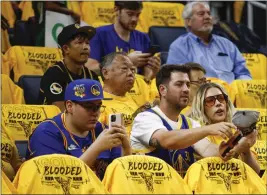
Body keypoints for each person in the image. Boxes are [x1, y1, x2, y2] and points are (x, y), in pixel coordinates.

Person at [131, 65, 259, 177]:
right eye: (179, 84)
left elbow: (209, 151)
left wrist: (237, 145)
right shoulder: (145, 118)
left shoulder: (191, 123)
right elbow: (165, 140)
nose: (186, 89)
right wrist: (208, 129)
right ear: (163, 90)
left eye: (187, 84)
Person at [28, 79, 131, 179]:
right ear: (69, 106)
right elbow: (61, 180)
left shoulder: (103, 130)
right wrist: (96, 148)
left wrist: (126, 149)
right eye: (89, 107)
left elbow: (120, 177)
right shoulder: (46, 133)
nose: (95, 112)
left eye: (98, 106)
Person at [166, 1, 251, 84]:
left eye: (209, 13)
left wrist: (241, 88)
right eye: (201, 14)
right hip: (201, 94)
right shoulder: (179, 46)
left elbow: (243, 73)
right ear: (189, 21)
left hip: (232, 93)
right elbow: (178, 79)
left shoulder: (227, 44)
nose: (207, 17)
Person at [189, 82, 260, 174]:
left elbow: (255, 173)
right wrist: (238, 149)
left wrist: (246, 150)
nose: (218, 103)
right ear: (201, 107)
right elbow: (215, 163)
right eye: (210, 100)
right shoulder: (198, 131)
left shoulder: (238, 130)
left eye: (221, 98)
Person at [87, 1, 161, 82]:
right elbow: (90, 68)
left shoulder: (143, 37)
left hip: (138, 89)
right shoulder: (99, 34)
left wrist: (152, 72)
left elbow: (147, 77)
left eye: (138, 15)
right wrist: (127, 61)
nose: (134, 19)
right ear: (116, 10)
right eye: (130, 14)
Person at [38, 23, 99, 111]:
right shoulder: (54, 74)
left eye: (87, 43)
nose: (86, 47)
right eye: (80, 43)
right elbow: (61, 112)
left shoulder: (92, 76)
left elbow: (97, 107)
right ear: (66, 49)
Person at [99, 52, 143, 136]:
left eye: (133, 69)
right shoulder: (97, 104)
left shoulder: (134, 99)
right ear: (106, 73)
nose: (130, 73)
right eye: (124, 68)